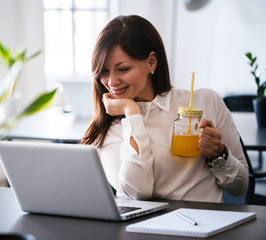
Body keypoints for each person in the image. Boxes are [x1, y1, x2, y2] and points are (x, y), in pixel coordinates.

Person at [80, 15, 248, 203]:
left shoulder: (207, 101)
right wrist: (131, 112)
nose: (111, 82)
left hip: (206, 226)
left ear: (151, 62)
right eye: (104, 71)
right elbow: (137, 194)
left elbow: (240, 186)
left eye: (123, 69)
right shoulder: (105, 130)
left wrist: (219, 155)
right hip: (144, 230)